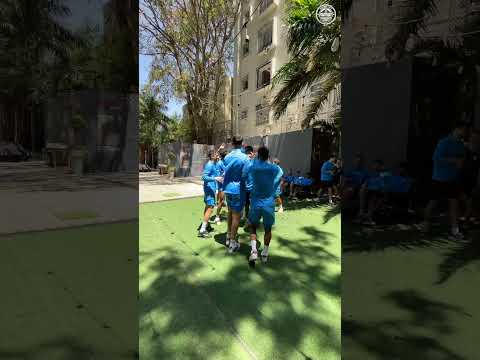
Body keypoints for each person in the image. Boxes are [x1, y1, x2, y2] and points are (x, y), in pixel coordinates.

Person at [422, 122, 467, 239]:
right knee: (433, 203)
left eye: (465, 130)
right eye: (463, 130)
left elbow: (461, 160)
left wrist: (460, 165)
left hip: (453, 180)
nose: (464, 132)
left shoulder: (461, 145)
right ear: (456, 129)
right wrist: (453, 161)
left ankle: (455, 230)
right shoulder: (444, 142)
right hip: (439, 179)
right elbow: (436, 158)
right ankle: (425, 223)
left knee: (454, 205)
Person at [243, 146, 280, 263]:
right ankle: (265, 252)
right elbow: (280, 174)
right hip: (269, 202)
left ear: (258, 155)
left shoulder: (253, 165)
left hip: (255, 201)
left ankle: (254, 251)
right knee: (268, 228)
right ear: (268, 156)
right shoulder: (273, 168)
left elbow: (244, 174)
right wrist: (273, 188)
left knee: (253, 226)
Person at [223, 135, 249, 252]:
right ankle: (233, 242)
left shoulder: (227, 157)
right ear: (242, 143)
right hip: (239, 189)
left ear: (232, 143)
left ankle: (229, 236)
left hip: (228, 189)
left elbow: (225, 172)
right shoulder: (244, 158)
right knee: (236, 216)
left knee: (230, 212)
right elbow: (246, 175)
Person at [198, 150, 223, 237]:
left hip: (210, 188)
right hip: (209, 189)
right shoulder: (209, 164)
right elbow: (204, 177)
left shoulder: (213, 163)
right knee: (211, 208)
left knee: (208, 206)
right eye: (216, 154)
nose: (218, 155)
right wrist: (215, 178)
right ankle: (202, 230)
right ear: (212, 156)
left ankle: (206, 225)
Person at [460, 129, 480, 225]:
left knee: (470, 201)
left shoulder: (477, 150)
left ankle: (467, 221)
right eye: (473, 136)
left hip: (472, 179)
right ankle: (468, 219)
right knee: (467, 201)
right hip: (462, 178)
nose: (475, 138)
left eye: (476, 137)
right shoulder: (464, 147)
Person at [214, 149, 227, 224]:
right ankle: (217, 217)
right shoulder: (219, 163)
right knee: (221, 201)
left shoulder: (226, 162)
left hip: (227, 185)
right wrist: (225, 174)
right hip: (222, 185)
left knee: (226, 201)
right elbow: (218, 176)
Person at [243, 146, 255, 222]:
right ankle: (248, 218)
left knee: (247, 203)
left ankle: (247, 217)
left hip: (248, 187)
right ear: (251, 152)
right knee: (249, 204)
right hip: (249, 187)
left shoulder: (247, 161)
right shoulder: (249, 162)